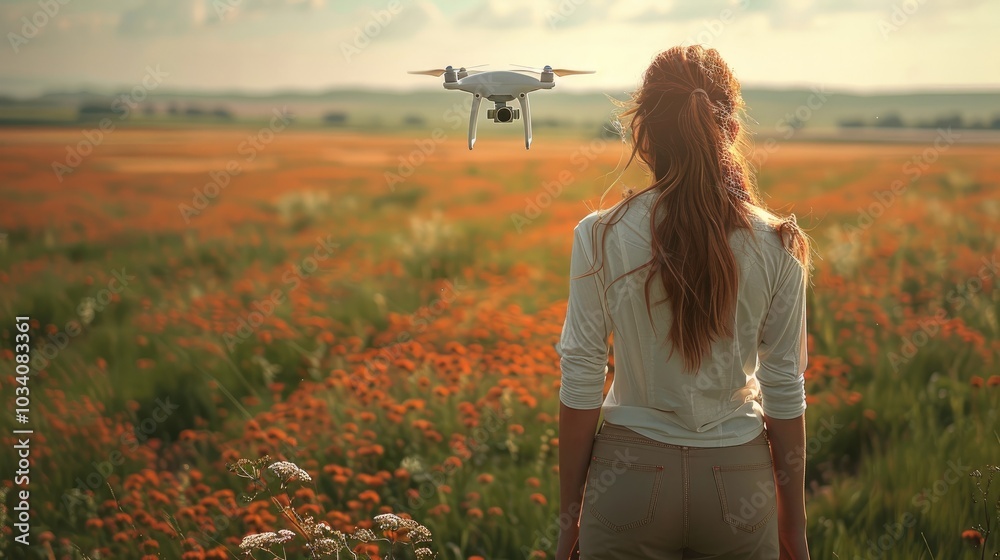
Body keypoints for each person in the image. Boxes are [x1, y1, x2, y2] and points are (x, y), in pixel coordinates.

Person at [554, 45, 812, 559]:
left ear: (644, 131)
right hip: (740, 483)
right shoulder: (780, 244)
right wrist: (794, 530)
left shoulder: (599, 236)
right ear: (733, 129)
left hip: (627, 478)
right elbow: (784, 387)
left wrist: (568, 522)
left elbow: (581, 378)